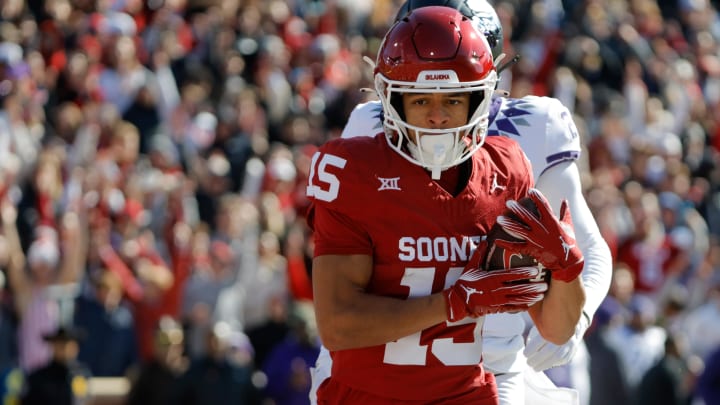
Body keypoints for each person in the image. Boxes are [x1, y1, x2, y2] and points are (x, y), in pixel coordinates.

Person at [310, 1, 613, 404]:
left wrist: (566, 268)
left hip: (483, 377)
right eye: (420, 100)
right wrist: (455, 303)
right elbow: (338, 323)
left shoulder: (510, 165)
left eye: (453, 99)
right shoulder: (356, 160)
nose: (436, 117)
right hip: (369, 388)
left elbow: (563, 304)